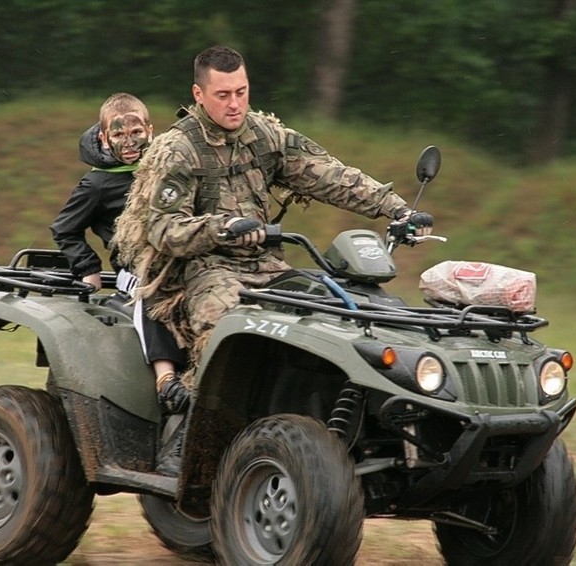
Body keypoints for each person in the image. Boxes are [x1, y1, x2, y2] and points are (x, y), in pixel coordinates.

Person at [115, 47, 433, 472]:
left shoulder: (265, 135)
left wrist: (397, 209)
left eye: (242, 92)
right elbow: (162, 228)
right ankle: (187, 435)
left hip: (268, 266)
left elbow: (329, 174)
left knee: (344, 311)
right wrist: (220, 228)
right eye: (223, 94)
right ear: (199, 93)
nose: (234, 104)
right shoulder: (178, 149)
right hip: (201, 269)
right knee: (226, 326)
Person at [50, 93, 189, 415]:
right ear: (103, 137)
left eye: (136, 133)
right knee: (153, 289)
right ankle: (165, 377)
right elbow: (64, 228)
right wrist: (87, 268)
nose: (129, 143)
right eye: (118, 135)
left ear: (150, 131)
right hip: (138, 275)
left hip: (181, 262)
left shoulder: (167, 169)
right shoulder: (98, 184)